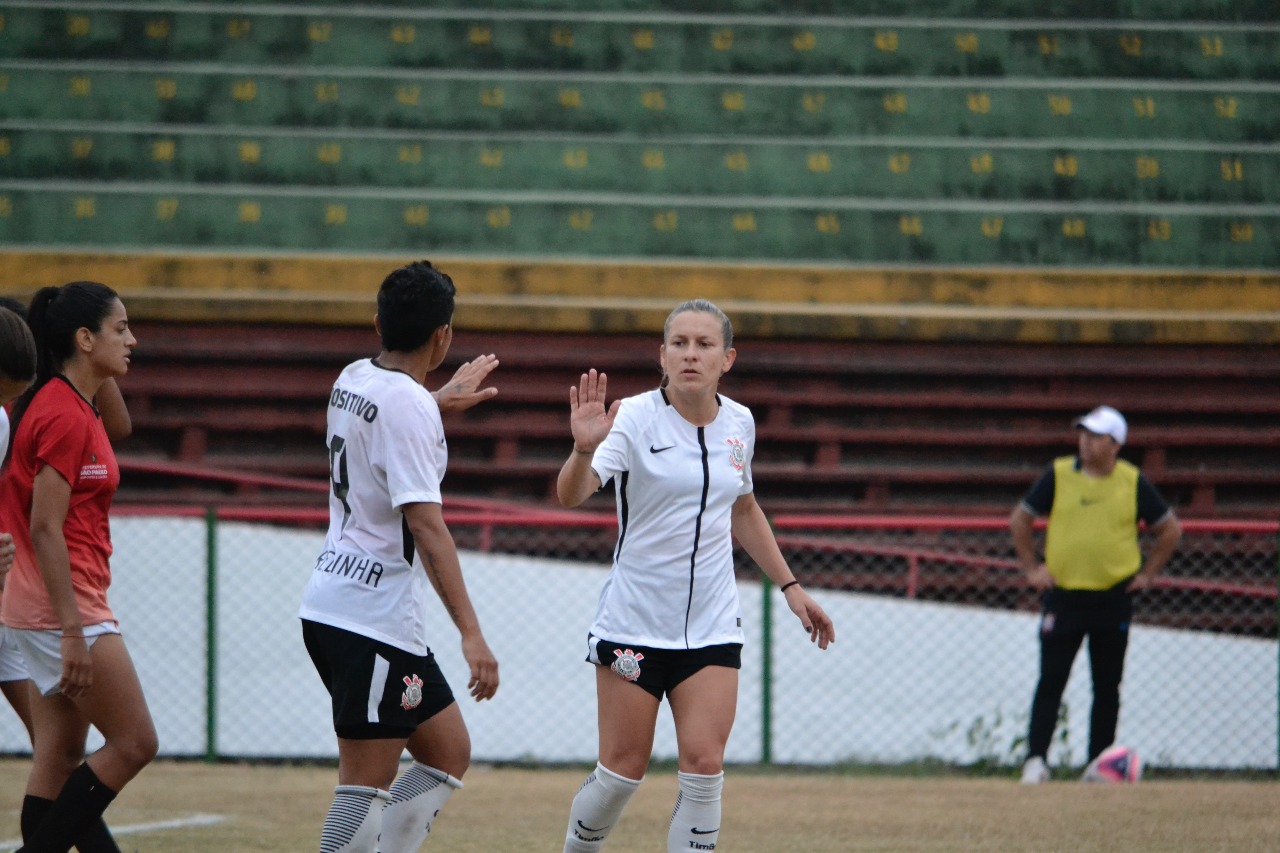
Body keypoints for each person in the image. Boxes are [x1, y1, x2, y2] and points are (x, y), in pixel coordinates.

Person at [556, 299, 835, 852]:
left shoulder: (741, 422)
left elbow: (744, 508)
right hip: (634, 624)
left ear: (727, 358)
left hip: (711, 626)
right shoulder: (632, 417)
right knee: (621, 773)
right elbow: (572, 493)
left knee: (705, 767)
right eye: (678, 343)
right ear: (662, 355)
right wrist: (582, 449)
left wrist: (791, 587)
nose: (690, 354)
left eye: (704, 344)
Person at [298, 260, 501, 853]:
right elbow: (428, 527)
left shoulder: (354, 376)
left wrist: (433, 400)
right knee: (362, 790)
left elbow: (383, 426)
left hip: (343, 605)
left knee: (446, 753)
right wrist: (472, 633)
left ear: (377, 322)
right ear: (444, 336)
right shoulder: (407, 405)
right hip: (370, 619)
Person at [0, 282, 157, 852]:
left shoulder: (74, 401)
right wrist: (72, 631)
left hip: (43, 603)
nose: (133, 340)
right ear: (84, 338)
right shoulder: (62, 415)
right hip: (61, 608)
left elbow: (119, 427)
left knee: (62, 756)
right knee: (135, 742)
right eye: (121, 329)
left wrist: (99, 359)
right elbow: (44, 528)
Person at [1011, 405, 1181, 784]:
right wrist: (1031, 568)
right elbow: (1021, 520)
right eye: (1083, 434)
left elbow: (1169, 529)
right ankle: (1036, 759)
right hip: (1064, 595)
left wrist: (1148, 574)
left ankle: (1099, 763)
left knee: (1106, 685)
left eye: (1096, 436)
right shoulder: (1058, 474)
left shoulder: (1131, 481)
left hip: (1112, 596)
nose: (1085, 442)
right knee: (1051, 679)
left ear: (1116, 444)